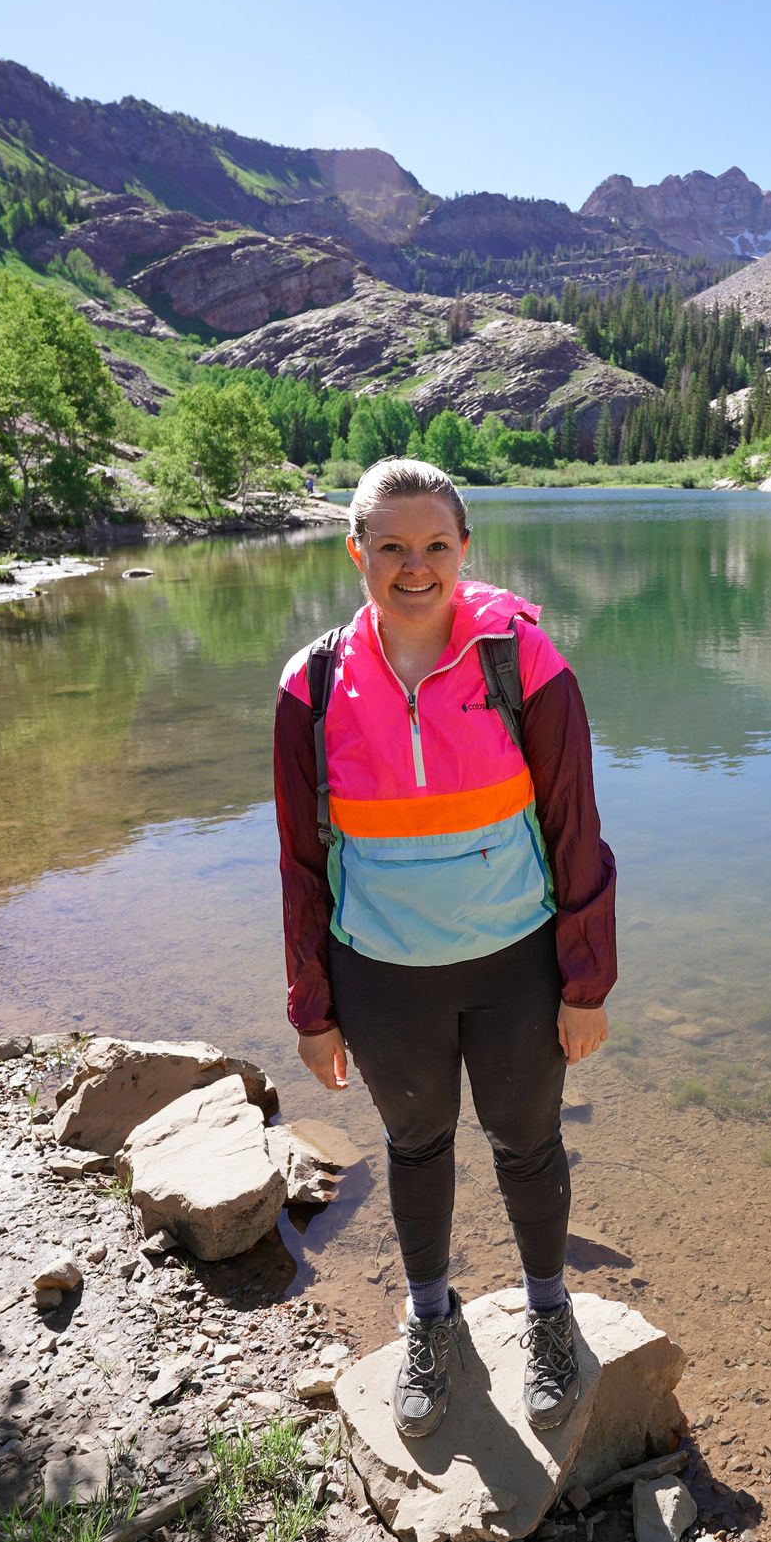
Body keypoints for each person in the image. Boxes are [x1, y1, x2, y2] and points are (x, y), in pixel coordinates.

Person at [273, 457, 616, 1440]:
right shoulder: (316, 684)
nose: (413, 567)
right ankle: (431, 1320)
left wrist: (585, 982)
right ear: (358, 554)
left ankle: (549, 1313)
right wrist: (313, 1007)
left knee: (527, 1142)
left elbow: (576, 830)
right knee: (417, 1146)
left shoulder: (523, 661)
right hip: (380, 978)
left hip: (517, 965)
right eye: (392, 547)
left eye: (434, 546)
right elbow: (300, 860)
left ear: (464, 551)